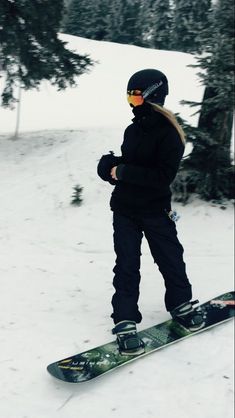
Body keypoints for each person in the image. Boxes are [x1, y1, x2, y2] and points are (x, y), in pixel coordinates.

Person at [97, 69, 205, 356]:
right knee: (127, 265)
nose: (131, 102)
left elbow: (161, 177)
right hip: (124, 209)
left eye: (134, 96)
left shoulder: (171, 134)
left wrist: (123, 170)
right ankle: (125, 320)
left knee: (170, 258)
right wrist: (109, 167)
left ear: (151, 94)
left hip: (155, 209)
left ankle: (181, 304)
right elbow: (130, 165)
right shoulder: (132, 130)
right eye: (129, 97)